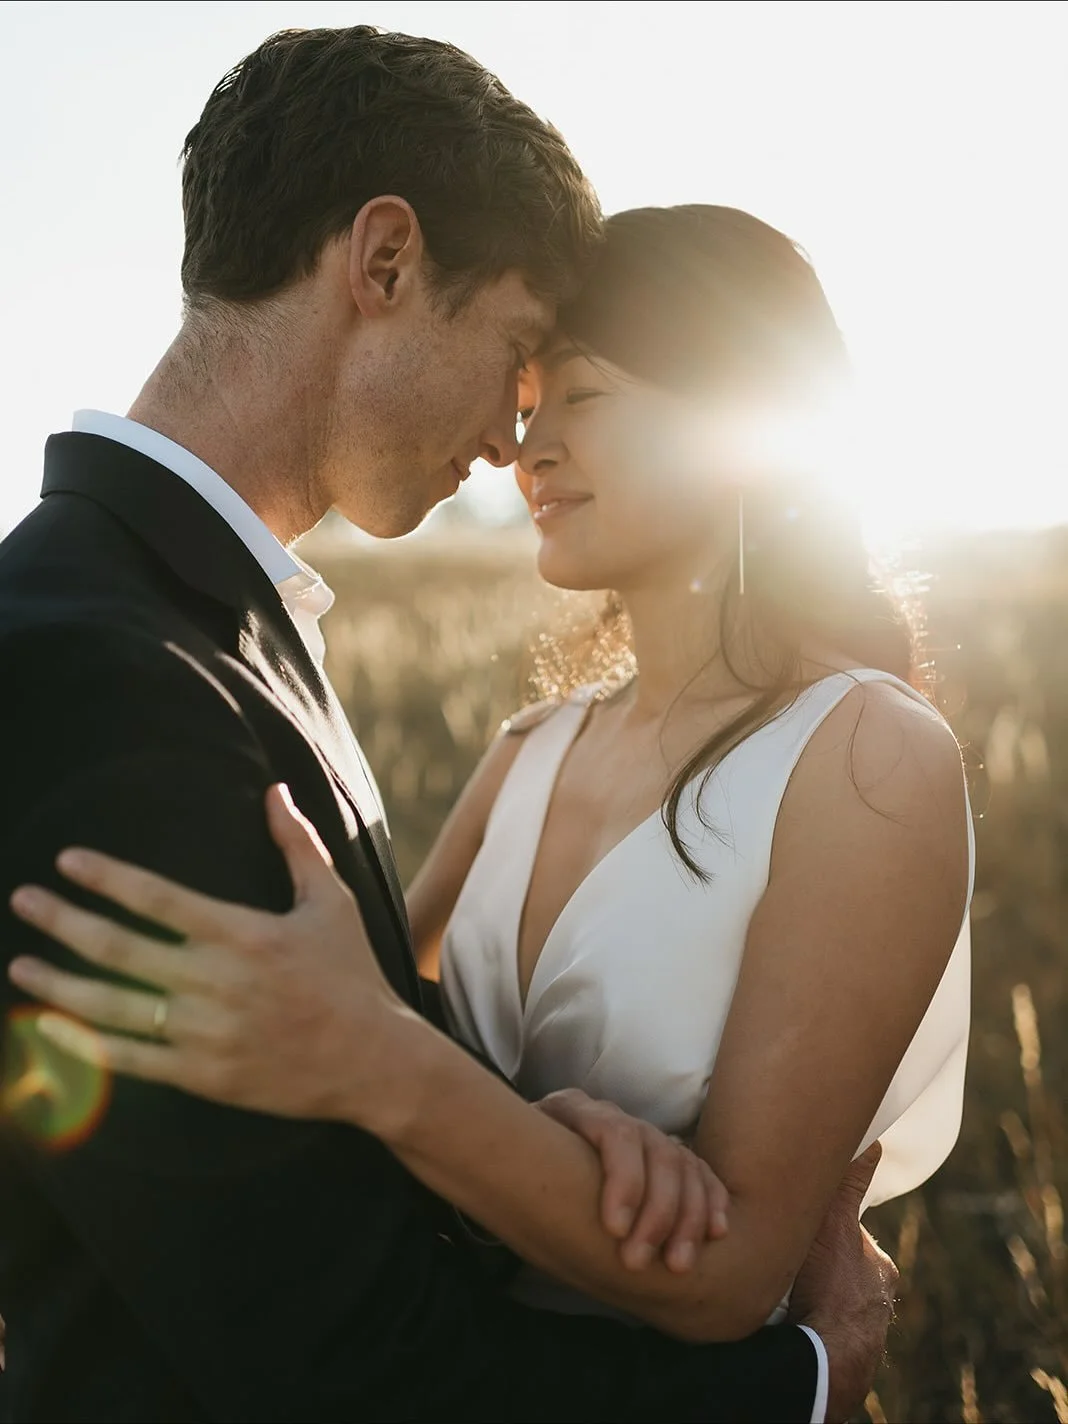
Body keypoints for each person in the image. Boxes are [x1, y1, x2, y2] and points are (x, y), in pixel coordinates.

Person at [0, 24, 895, 1424]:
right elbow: (329, 1356)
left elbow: (309, 1136)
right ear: (386, 262)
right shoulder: (91, 671)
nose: (511, 431)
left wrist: (515, 1130)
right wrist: (800, 1381)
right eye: (521, 350)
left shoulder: (211, 626)